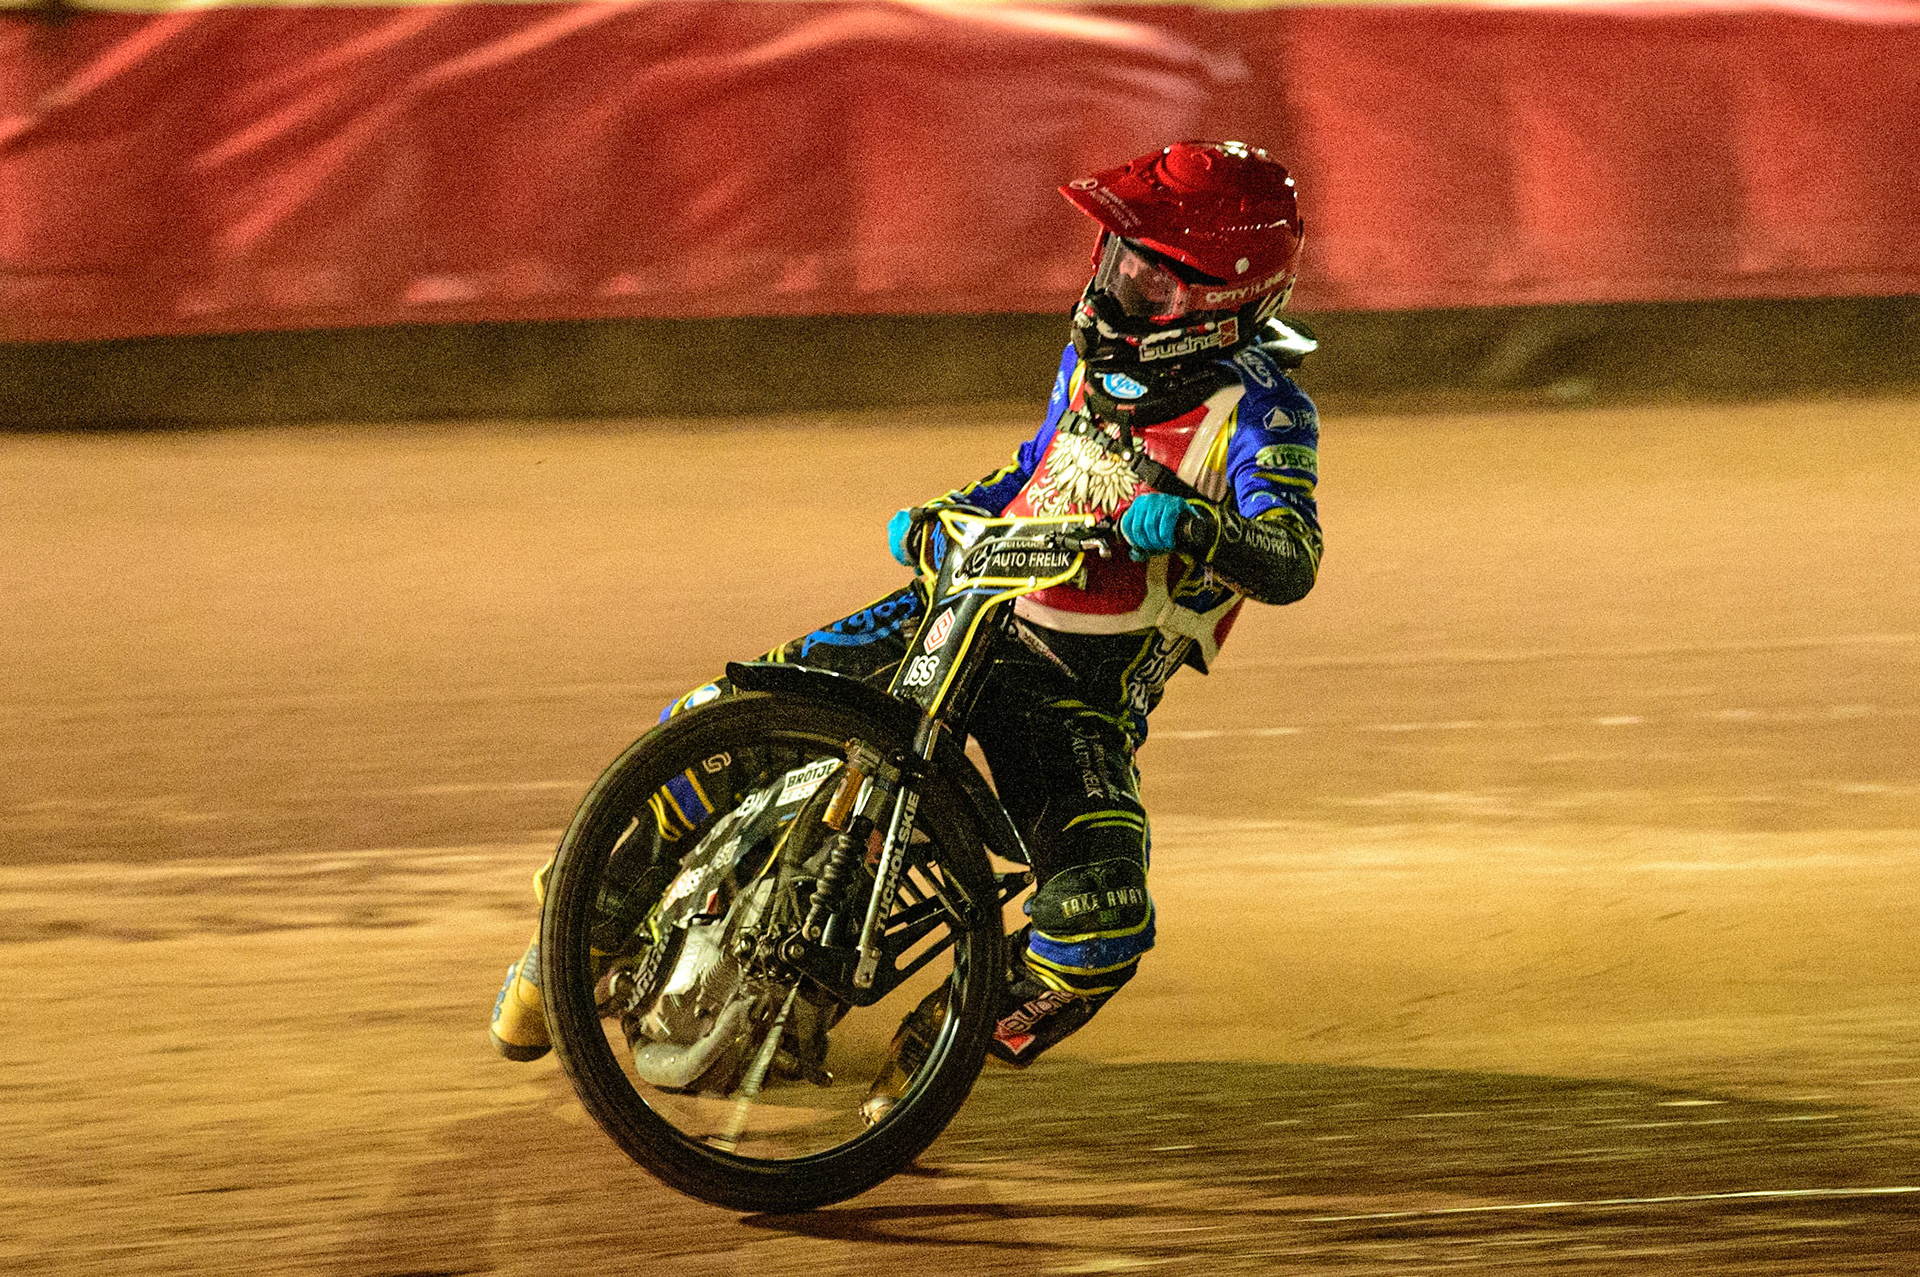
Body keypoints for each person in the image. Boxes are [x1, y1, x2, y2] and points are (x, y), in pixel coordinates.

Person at [489, 140, 1323, 1108]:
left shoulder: (1266, 413)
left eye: (1149, 281)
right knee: (714, 720)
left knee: (1101, 921)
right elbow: (1035, 469)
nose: (1116, 290)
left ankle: (935, 1048)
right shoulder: (1090, 364)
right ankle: (567, 944)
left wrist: (1201, 526)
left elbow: (1292, 555)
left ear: (1220, 299)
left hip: (1073, 688)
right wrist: (949, 509)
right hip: (962, 605)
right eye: (1116, 263)